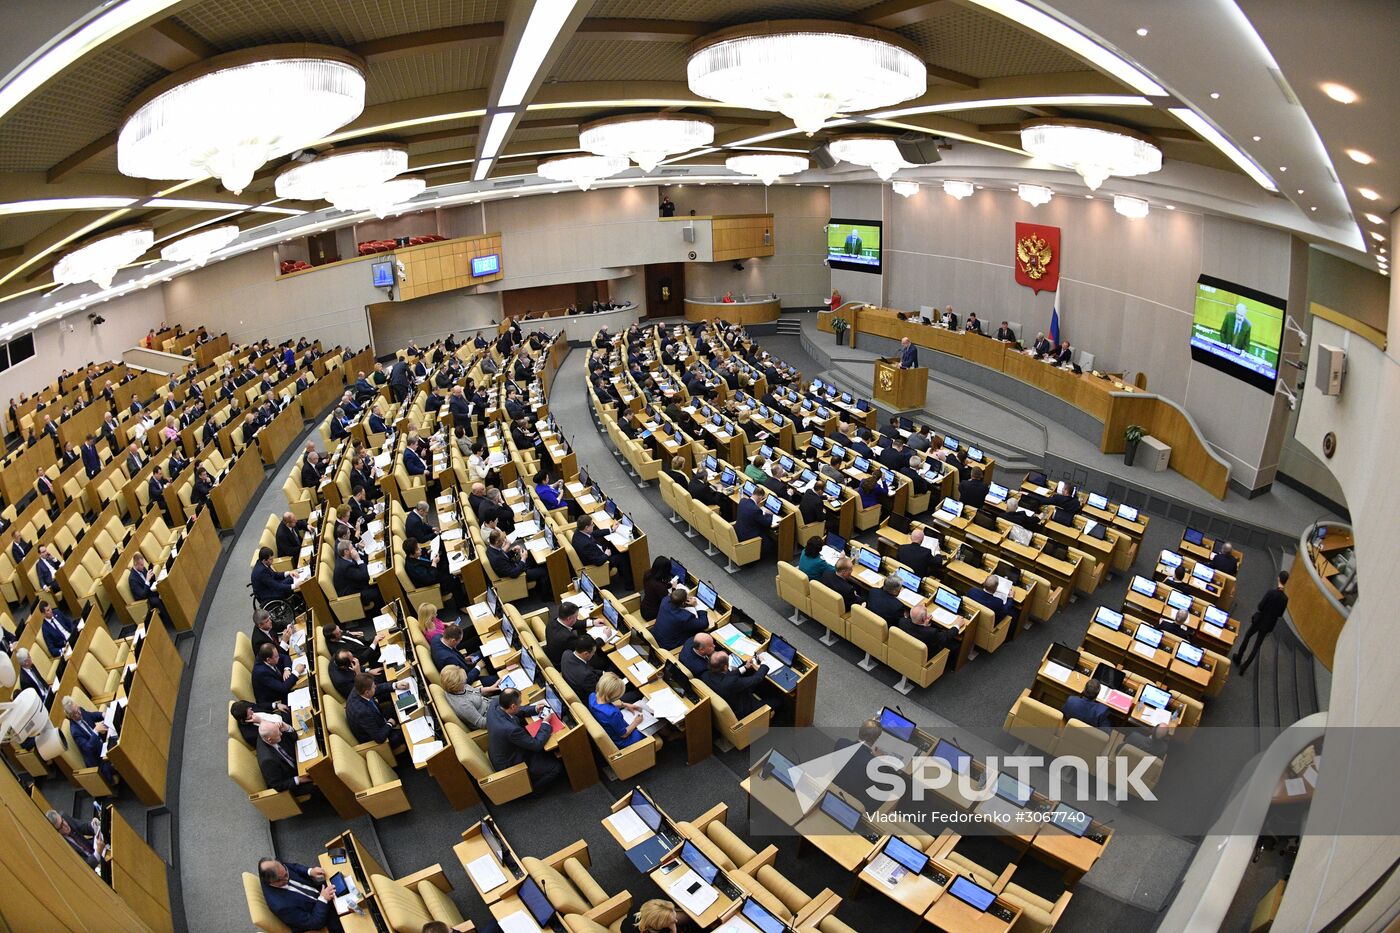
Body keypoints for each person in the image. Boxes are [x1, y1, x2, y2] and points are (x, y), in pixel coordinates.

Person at [486, 688, 563, 790]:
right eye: (519, 703)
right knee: (556, 767)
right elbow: (536, 745)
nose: (520, 704)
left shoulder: (495, 704)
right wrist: (545, 723)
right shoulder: (511, 730)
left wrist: (535, 708)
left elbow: (516, 711)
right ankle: (532, 790)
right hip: (510, 762)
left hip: (502, 751)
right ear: (513, 706)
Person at [257, 856, 343, 933]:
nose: (288, 875)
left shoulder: (276, 867)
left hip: (319, 890)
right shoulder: (282, 907)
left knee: (343, 878)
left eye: (285, 870)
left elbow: (293, 867)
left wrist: (310, 871)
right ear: (274, 881)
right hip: (323, 915)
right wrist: (323, 899)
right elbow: (314, 923)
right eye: (285, 876)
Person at [1234, 572, 1290, 673]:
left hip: (1259, 619)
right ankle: (1244, 667)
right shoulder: (1285, 599)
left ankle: (1238, 658)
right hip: (1269, 624)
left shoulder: (1271, 592)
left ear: (1278, 578)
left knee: (1247, 636)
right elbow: (1280, 615)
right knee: (1257, 646)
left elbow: (1260, 606)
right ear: (1286, 582)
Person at [61, 696, 116, 784]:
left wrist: (103, 714)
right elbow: (88, 747)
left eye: (78, 709)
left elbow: (91, 716)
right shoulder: (75, 731)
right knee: (117, 759)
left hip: (103, 745)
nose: (79, 713)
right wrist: (96, 731)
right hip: (98, 760)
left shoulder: (80, 710)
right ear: (69, 716)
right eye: (75, 714)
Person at [701, 650, 766, 719]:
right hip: (744, 709)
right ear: (726, 667)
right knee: (777, 699)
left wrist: (745, 667)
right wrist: (764, 664)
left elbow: (726, 676)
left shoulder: (705, 675)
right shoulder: (731, 682)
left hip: (730, 697)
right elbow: (757, 679)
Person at [346, 672, 404, 749]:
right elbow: (379, 738)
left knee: (395, 706)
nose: (375, 686)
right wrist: (390, 723)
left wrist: (395, 685)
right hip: (376, 740)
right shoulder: (362, 712)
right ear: (367, 692)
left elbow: (377, 688)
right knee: (402, 734)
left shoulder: (358, 689)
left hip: (377, 718)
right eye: (373, 687)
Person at [572, 514, 629, 588]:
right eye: (592, 525)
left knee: (614, 546)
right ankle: (629, 585)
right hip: (600, 564)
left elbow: (594, 533)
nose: (593, 526)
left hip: (596, 551)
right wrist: (606, 555)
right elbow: (598, 562)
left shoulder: (579, 532)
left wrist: (611, 529)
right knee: (622, 556)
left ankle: (622, 573)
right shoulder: (586, 545)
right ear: (586, 527)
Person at [439, 664, 493, 729]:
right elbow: (482, 723)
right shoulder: (463, 705)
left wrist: (491, 688)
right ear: (456, 685)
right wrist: (503, 712)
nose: (465, 682)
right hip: (490, 716)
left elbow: (475, 692)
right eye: (463, 682)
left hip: (489, 703)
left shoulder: (453, 689)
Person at [128, 552, 170, 625]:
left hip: (150, 591)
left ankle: (173, 614)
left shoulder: (142, 568)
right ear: (135, 564)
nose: (143, 566)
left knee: (164, 589)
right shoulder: (132, 579)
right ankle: (168, 622)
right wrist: (147, 580)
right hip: (145, 599)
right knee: (156, 601)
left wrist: (152, 576)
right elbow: (142, 595)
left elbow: (151, 581)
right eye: (141, 565)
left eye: (143, 564)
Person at [735, 487, 776, 559]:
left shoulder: (743, 501)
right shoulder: (756, 510)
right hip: (748, 536)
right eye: (762, 499)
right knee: (770, 540)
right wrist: (769, 514)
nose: (761, 500)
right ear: (760, 496)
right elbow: (767, 523)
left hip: (739, 531)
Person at [544, 602, 587, 667]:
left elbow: (572, 623)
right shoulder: (567, 637)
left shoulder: (553, 621)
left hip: (552, 654)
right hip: (562, 664)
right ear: (569, 618)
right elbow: (584, 648)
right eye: (576, 616)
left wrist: (592, 622)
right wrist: (603, 637)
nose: (577, 618)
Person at [639, 556, 673, 621]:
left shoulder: (647, 574)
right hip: (652, 614)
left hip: (644, 607)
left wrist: (668, 584)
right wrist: (674, 589)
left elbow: (654, 589)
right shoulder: (659, 586)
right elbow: (669, 602)